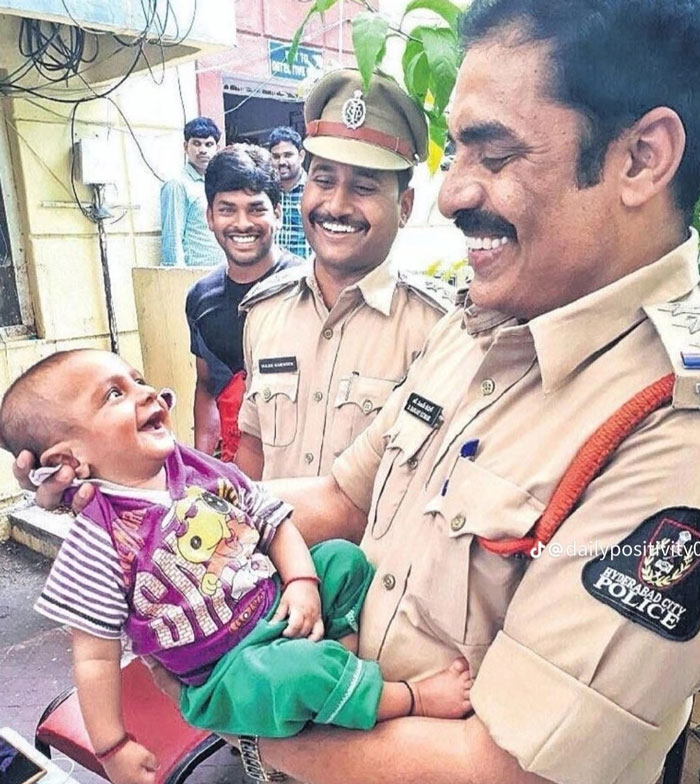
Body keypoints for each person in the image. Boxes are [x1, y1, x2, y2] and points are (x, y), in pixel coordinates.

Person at [15, 0, 700, 781]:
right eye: (457, 158)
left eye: (495, 155)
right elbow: (343, 497)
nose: (452, 195)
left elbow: (504, 769)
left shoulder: (672, 428)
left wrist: (243, 718)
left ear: (642, 159)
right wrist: (132, 495)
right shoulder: (483, 327)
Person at [0, 348, 473, 784]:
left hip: (277, 608)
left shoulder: (199, 470)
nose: (146, 392)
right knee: (299, 674)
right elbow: (94, 657)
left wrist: (303, 581)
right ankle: (407, 697)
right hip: (227, 671)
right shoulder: (96, 541)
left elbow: (273, 518)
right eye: (114, 394)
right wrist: (113, 747)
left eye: (138, 379)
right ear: (68, 458)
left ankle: (339, 668)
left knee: (342, 562)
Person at [235, 70, 453, 481]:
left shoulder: (436, 331)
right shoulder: (265, 313)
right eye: (323, 180)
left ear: (404, 206)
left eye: (364, 187)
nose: (336, 205)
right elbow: (253, 451)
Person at [185, 144, 303, 462]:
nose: (242, 223)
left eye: (255, 209)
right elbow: (208, 387)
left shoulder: (307, 289)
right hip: (233, 475)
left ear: (276, 212)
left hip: (296, 474)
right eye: (227, 209)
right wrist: (204, 466)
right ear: (210, 216)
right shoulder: (201, 299)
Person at [160, 117, 225, 268]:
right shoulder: (177, 185)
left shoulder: (219, 183)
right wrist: (176, 281)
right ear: (185, 146)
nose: (202, 150)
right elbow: (172, 240)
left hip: (220, 275)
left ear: (217, 147)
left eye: (208, 144)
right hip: (194, 277)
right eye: (196, 143)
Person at [268, 126, 311, 259]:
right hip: (273, 272)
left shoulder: (314, 190)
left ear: (301, 156)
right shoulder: (266, 192)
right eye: (276, 156)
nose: (282, 162)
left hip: (306, 271)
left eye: (288, 155)